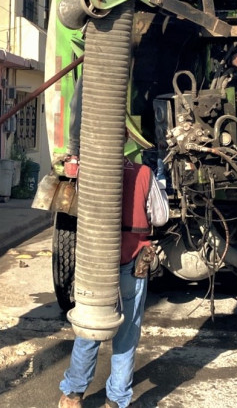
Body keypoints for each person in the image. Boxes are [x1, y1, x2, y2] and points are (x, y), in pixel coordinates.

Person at [58, 158, 169, 408]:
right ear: (127, 135)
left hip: (96, 266)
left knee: (91, 327)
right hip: (132, 262)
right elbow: (160, 218)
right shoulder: (143, 173)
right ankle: (116, 400)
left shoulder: (89, 170)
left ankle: (73, 395)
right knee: (127, 333)